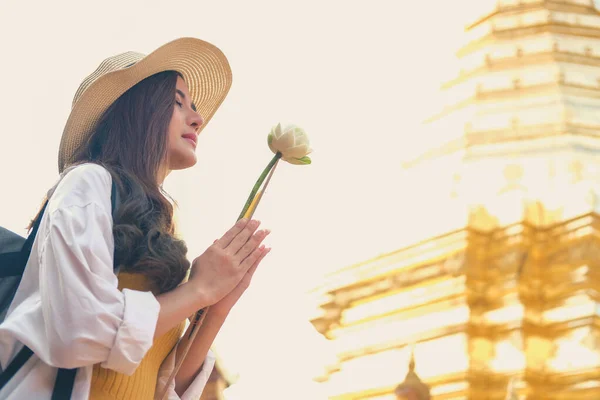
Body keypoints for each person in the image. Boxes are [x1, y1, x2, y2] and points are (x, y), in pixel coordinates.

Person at [0, 37, 271, 399]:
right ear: (137, 111)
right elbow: (77, 333)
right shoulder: (88, 182)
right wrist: (198, 290)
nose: (198, 118)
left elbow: (159, 386)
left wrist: (215, 306)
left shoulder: (162, 229)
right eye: (177, 103)